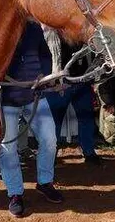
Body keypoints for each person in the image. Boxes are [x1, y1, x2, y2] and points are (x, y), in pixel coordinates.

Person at [0, 21, 59, 217]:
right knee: (8, 148)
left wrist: (45, 75)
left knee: (50, 140)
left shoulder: (33, 27)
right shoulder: (0, 26)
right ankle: (15, 193)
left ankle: (45, 182)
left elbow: (45, 54)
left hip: (35, 95)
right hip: (7, 99)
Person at [44, 32, 103, 167]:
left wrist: (92, 78)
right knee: (55, 122)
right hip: (60, 84)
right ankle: (51, 155)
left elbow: (93, 53)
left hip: (83, 81)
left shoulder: (82, 32)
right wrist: (54, 81)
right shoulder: (53, 32)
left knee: (86, 118)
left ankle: (89, 152)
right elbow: (48, 57)